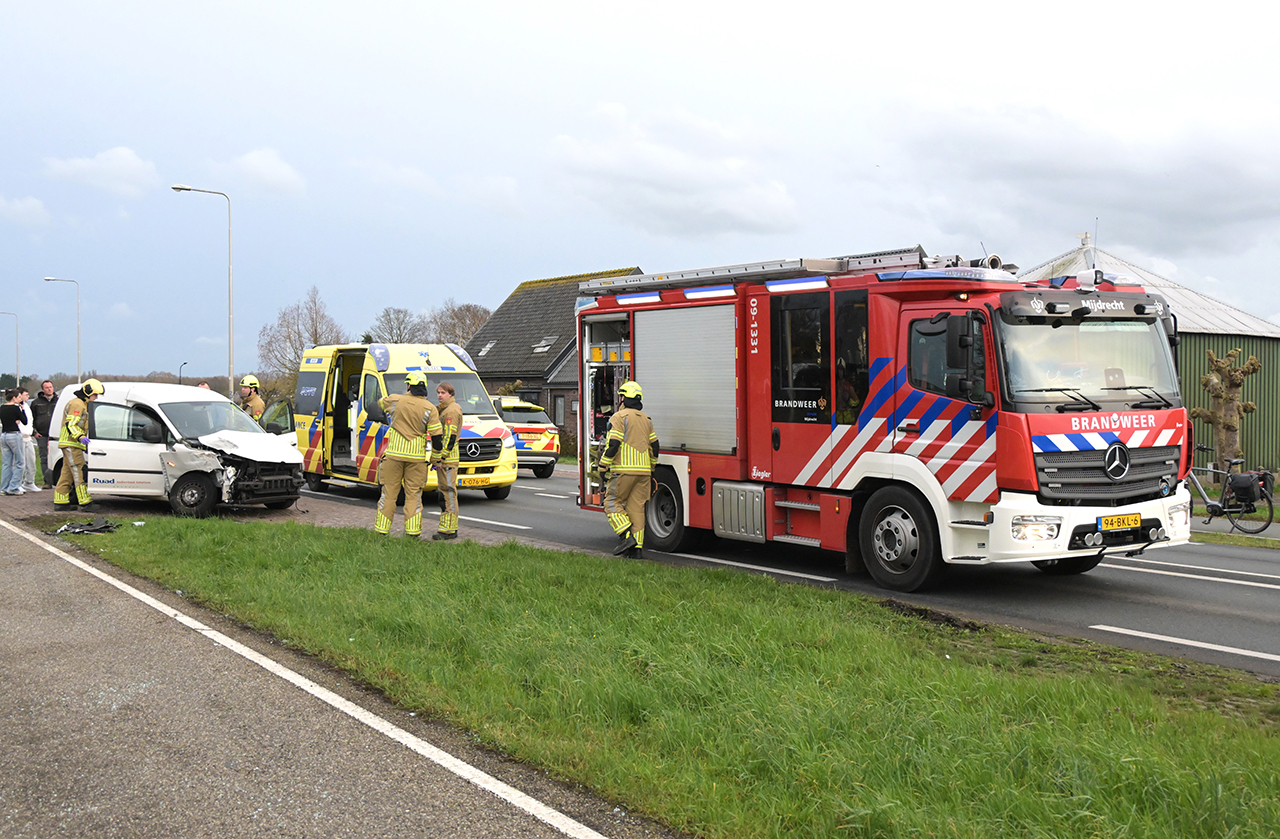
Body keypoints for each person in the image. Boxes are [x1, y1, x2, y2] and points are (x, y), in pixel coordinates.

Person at [373, 372, 442, 537]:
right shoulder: (430, 409)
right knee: (414, 496)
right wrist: (436, 458)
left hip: (394, 457)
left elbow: (379, 403)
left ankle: (381, 531)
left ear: (409, 386)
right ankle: (412, 533)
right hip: (416, 459)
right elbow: (437, 438)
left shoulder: (395, 400)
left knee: (389, 493)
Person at [599, 380, 659, 558]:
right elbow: (655, 447)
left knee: (611, 503)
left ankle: (626, 536)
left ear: (624, 398)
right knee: (637, 509)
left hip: (623, 470)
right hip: (644, 472)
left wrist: (603, 465)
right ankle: (636, 551)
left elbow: (613, 443)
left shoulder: (619, 417)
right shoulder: (647, 420)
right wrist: (652, 466)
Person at [54, 378, 104, 512]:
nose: (96, 398)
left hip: (71, 443)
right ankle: (85, 502)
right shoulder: (78, 404)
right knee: (79, 471)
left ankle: (61, 501)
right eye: (95, 395)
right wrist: (81, 437)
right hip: (72, 443)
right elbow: (71, 424)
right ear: (88, 393)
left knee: (66, 474)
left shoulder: (81, 403)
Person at [432, 382, 463, 540]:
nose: (439, 395)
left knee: (448, 494)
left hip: (448, 460)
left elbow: (450, 436)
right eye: (438, 392)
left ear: (450, 394)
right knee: (444, 493)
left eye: (443, 392)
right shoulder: (444, 409)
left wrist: (441, 457)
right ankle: (446, 528)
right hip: (446, 460)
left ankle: (449, 530)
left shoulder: (451, 410)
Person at [30, 380, 57, 488]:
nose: (49, 389)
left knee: (57, 457)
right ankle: (47, 481)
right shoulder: (36, 403)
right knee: (44, 458)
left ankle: (58, 480)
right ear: (43, 389)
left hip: (55, 435)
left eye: (51, 387)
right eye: (47, 387)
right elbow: (30, 418)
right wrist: (34, 432)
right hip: (42, 435)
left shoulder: (58, 401)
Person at [16, 387, 40, 492]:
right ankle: (17, 483)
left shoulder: (27, 406)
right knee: (20, 462)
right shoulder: (16, 407)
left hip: (28, 437)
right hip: (19, 437)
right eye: (26, 394)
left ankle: (29, 482)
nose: (28, 396)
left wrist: (33, 432)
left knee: (31, 461)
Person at [1, 389, 24, 496]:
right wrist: (22, 410)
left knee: (7, 463)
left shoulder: (2, 407)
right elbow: (24, 421)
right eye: (19, 397)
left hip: (4, 435)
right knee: (20, 462)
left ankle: (3, 487)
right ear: (14, 398)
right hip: (14, 434)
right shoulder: (15, 408)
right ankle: (13, 487)